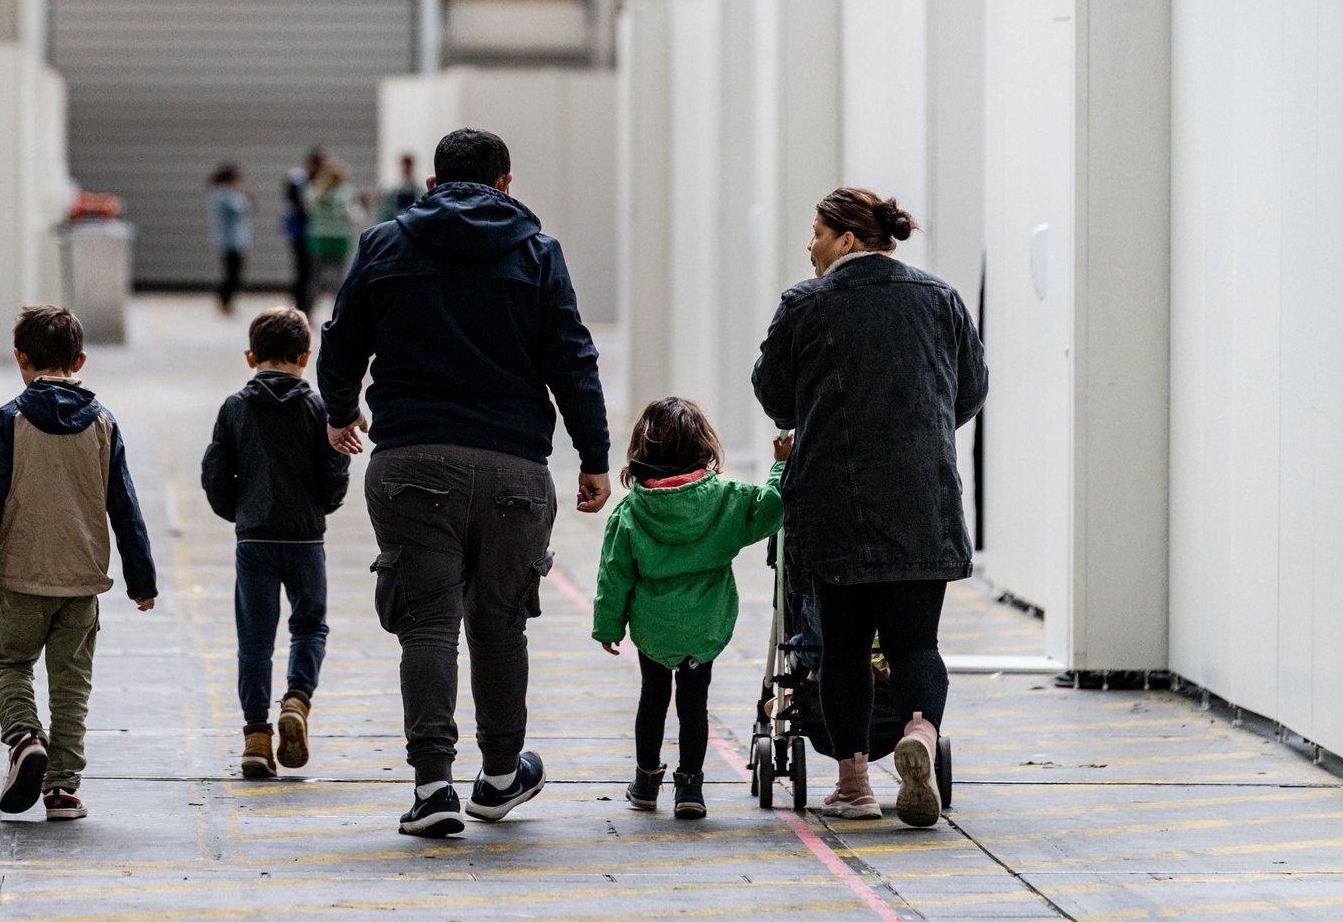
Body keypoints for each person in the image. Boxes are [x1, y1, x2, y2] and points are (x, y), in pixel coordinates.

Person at [318, 126, 611, 838]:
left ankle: (432, 788)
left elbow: (341, 338)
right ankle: (503, 778)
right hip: (515, 467)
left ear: (430, 186)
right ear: (505, 183)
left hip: (412, 461)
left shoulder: (386, 245)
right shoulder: (537, 252)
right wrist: (594, 456)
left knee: (427, 624)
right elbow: (572, 357)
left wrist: (338, 411)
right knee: (500, 622)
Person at [752, 188, 986, 829]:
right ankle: (919, 728)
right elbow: (971, 391)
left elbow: (773, 392)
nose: (809, 244)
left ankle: (854, 784)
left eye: (817, 232)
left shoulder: (805, 303)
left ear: (848, 240)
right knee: (916, 642)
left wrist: (811, 413)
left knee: (846, 647)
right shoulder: (940, 298)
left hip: (834, 504)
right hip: (922, 498)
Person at [0, 305, 159, 823]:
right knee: (71, 682)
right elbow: (125, 507)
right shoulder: (103, 423)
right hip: (82, 579)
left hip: (22, 574)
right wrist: (142, 580)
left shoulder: (11, 420)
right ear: (80, 359)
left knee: (12, 662)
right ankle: (62, 790)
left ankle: (22, 738)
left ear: (20, 358)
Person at [591, 398, 790, 820]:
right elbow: (772, 509)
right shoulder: (728, 499)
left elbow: (614, 574)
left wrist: (608, 625)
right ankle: (690, 788)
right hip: (705, 621)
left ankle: (646, 782)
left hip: (653, 623)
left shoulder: (630, 511)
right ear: (703, 445)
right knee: (694, 702)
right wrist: (779, 465)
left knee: (653, 696)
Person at [200, 307, 351, 779]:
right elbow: (334, 470)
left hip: (255, 539)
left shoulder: (234, 408)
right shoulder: (319, 408)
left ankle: (255, 740)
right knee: (309, 627)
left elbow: (215, 474)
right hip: (306, 537)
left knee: (254, 641)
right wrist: (322, 505)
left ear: (250, 356)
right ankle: (297, 700)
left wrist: (240, 513)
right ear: (306, 356)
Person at [304, 159, 359, 312]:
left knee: (314, 278)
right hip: (340, 238)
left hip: (319, 239)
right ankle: (341, 312)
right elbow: (354, 215)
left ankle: (309, 313)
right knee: (341, 278)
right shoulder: (346, 192)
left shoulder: (314, 190)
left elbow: (308, 211)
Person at [283, 147, 327, 311]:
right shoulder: (300, 179)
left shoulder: (315, 181)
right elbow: (301, 206)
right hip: (301, 232)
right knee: (304, 271)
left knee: (309, 272)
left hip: (312, 232)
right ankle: (300, 307)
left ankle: (303, 306)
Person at [208, 165, 252, 316]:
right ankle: (224, 301)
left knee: (233, 273)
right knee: (232, 273)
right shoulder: (224, 194)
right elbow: (240, 209)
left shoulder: (225, 194)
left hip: (235, 240)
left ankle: (227, 301)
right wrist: (245, 196)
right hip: (230, 241)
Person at [380, 152, 422, 220]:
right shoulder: (392, 193)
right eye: (405, 166)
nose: (407, 169)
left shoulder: (420, 192)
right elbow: (385, 214)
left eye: (409, 166)